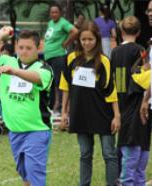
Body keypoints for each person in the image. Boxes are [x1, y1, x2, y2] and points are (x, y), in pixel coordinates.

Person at [0, 27, 53, 186]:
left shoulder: (44, 68)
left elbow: (37, 78)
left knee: (35, 173)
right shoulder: (7, 61)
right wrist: (0, 34)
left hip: (37, 130)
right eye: (21, 47)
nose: (24, 51)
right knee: (24, 173)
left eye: (29, 48)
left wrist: (15, 72)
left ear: (38, 48)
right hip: (15, 131)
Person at [60, 21, 120, 186]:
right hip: (81, 113)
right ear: (78, 40)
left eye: (90, 39)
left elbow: (111, 90)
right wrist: (64, 112)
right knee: (85, 154)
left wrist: (116, 116)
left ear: (97, 40)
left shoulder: (104, 61)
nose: (87, 43)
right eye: (83, 39)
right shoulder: (71, 58)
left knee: (109, 154)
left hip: (104, 114)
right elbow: (65, 86)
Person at [111, 16, 151, 186]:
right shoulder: (141, 50)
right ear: (139, 32)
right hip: (139, 103)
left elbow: (113, 79)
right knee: (138, 147)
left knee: (129, 145)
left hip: (120, 104)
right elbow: (144, 77)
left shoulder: (114, 52)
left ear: (121, 32)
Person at [44, 3, 78, 115]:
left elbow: (75, 31)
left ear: (60, 13)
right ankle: (52, 105)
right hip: (48, 56)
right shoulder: (50, 23)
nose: (54, 14)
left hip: (58, 56)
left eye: (56, 12)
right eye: (52, 12)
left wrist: (67, 42)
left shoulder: (63, 23)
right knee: (51, 82)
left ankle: (59, 108)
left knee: (59, 82)